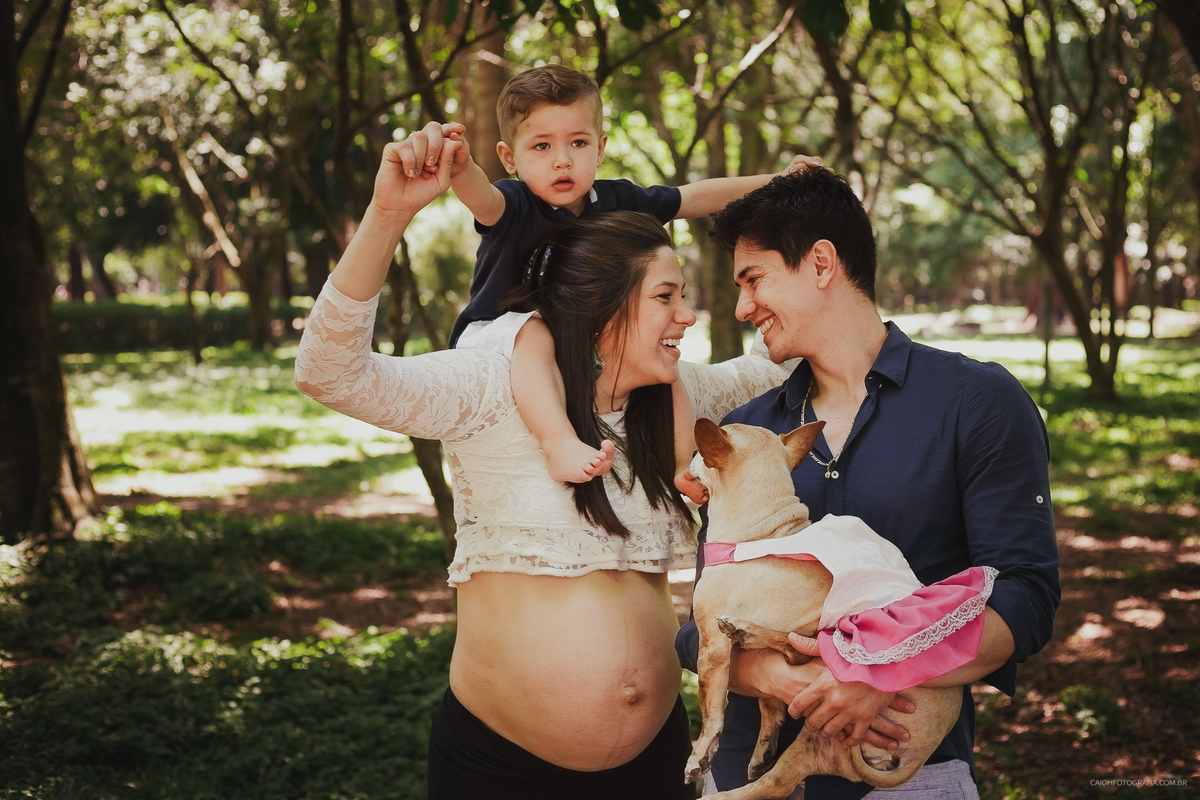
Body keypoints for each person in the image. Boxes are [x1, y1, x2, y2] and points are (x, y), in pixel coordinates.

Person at [295, 137, 797, 798]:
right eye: (666, 297)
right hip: (505, 771)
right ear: (602, 309)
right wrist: (387, 215)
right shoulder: (493, 385)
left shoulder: (677, 398)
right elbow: (329, 374)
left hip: (657, 766)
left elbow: (792, 362)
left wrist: (813, 231)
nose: (687, 316)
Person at [674, 168, 1061, 799]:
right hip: (752, 776)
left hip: (904, 772)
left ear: (821, 263)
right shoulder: (745, 435)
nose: (743, 307)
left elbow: (1025, 598)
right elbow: (702, 626)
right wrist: (775, 677)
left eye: (754, 279)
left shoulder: (978, 402)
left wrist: (880, 670)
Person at [394, 64, 814, 484]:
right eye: (541, 146)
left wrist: (779, 181)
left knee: (664, 367)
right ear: (509, 157)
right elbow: (481, 198)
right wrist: (460, 167)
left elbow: (693, 197)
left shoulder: (615, 199)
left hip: (576, 339)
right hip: (500, 335)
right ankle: (558, 442)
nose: (562, 160)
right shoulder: (514, 202)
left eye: (578, 142)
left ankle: (684, 465)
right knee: (534, 330)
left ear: (600, 148)